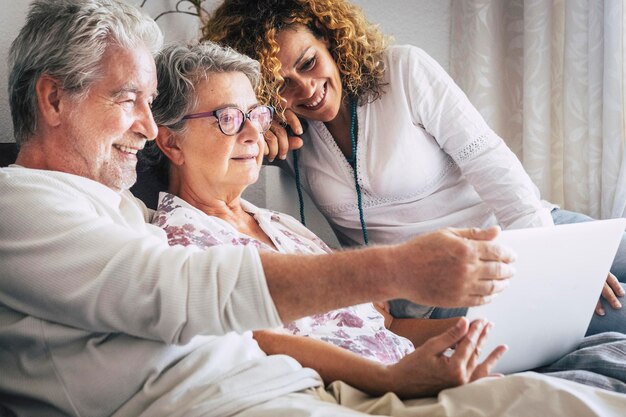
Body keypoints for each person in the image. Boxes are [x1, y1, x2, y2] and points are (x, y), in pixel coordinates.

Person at [0, 1, 622, 417]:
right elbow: (188, 294)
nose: (140, 122)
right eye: (128, 98)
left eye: (258, 114)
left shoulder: (131, 213)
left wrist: (485, 340)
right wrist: (398, 276)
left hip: (383, 349)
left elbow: (376, 320)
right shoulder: (29, 204)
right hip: (316, 393)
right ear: (54, 100)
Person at [202, 0, 626, 327]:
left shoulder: (402, 71)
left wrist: (553, 258)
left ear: (329, 37)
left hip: (527, 228)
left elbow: (493, 165)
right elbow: (221, 176)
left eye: (308, 63)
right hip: (445, 281)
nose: (307, 89)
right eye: (282, 85)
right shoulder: (286, 137)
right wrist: (261, 130)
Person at [143, 41, 508, 398]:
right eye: (228, 118)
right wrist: (391, 379)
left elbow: (387, 324)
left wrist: (487, 334)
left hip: (409, 375)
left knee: (560, 361)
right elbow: (254, 338)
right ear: (172, 143)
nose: (254, 132)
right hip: (365, 394)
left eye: (255, 114)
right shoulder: (178, 243)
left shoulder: (280, 225)